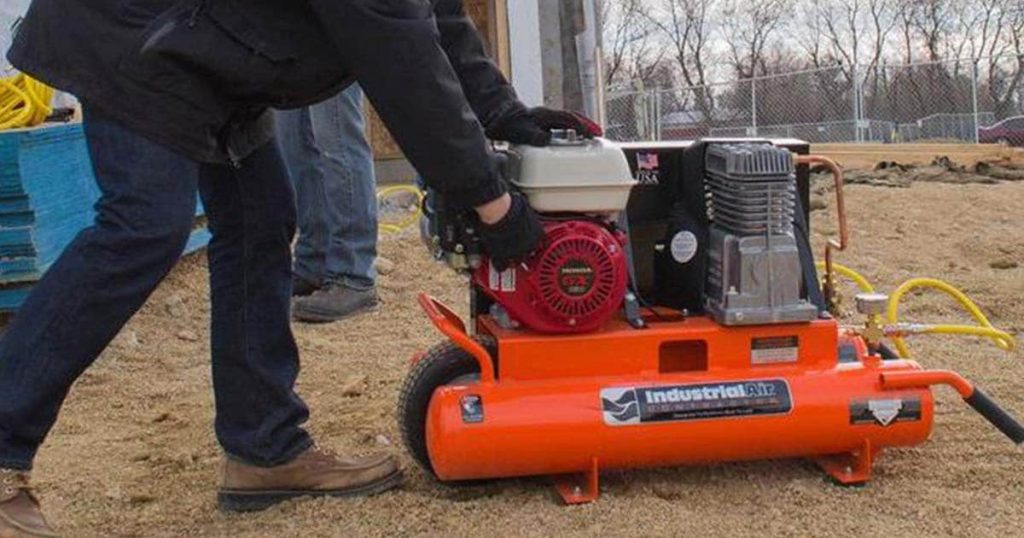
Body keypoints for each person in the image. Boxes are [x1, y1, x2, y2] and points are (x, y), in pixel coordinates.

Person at [0, 0, 600, 535]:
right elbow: (401, 61)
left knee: (261, 217)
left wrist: (502, 112)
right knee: (143, 225)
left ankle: (264, 449)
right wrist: (491, 203)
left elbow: (435, 16)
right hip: (136, 30)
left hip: (212, 46)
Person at [274, 85, 381, 323]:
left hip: (336, 47)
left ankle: (353, 272)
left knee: (338, 137)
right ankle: (314, 261)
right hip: (292, 48)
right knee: (294, 139)